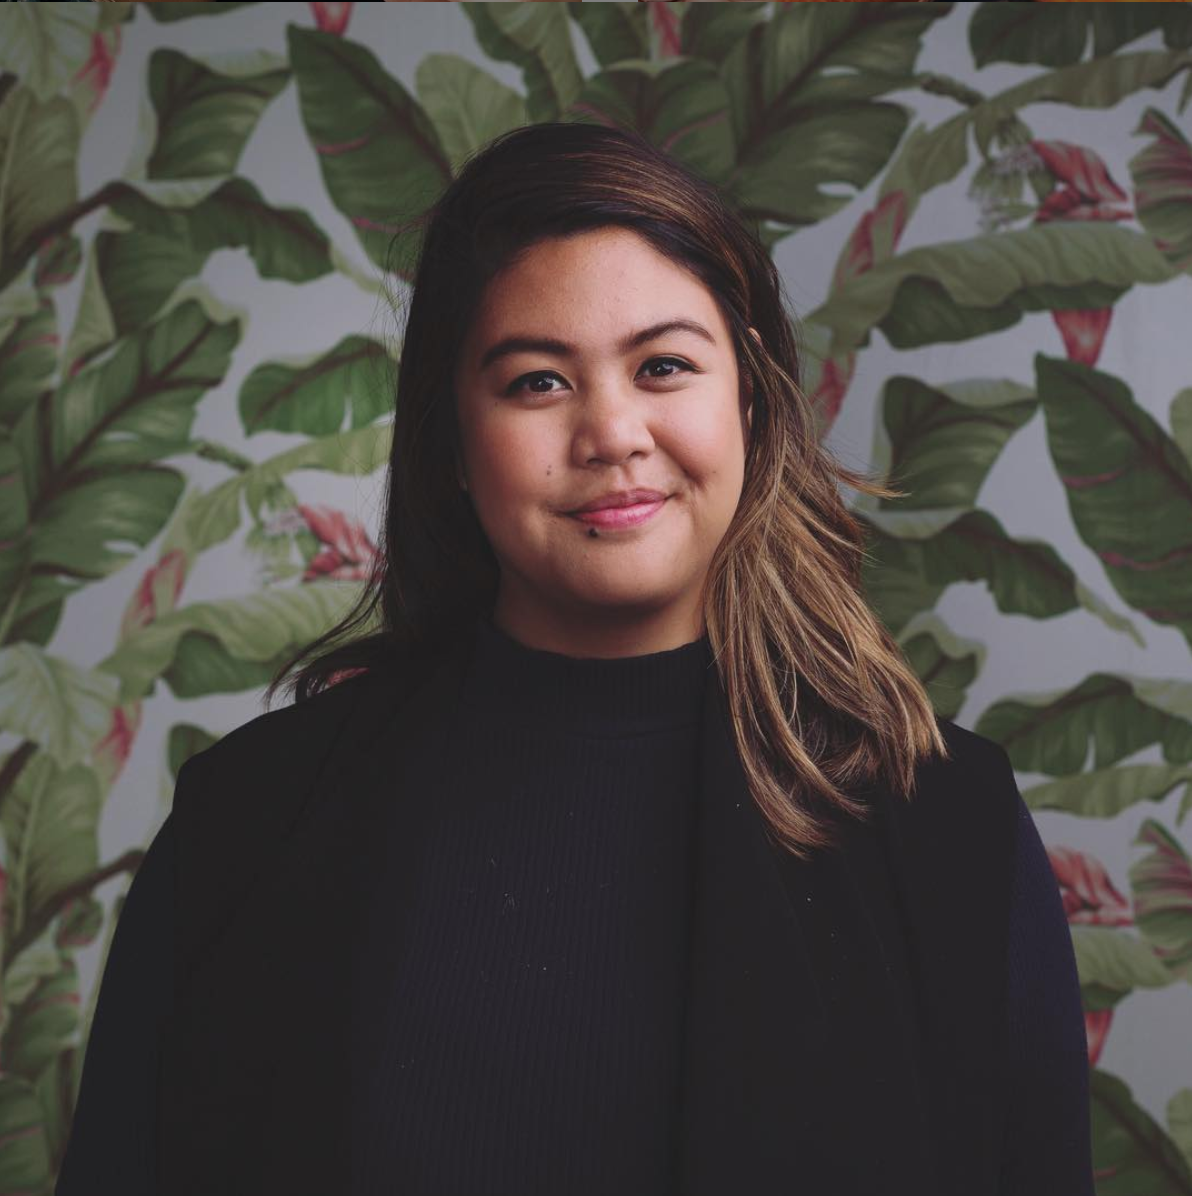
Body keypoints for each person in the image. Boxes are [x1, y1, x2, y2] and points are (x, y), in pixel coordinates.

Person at [56, 120, 1093, 1196]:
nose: (611, 430)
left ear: (746, 396)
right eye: (537, 382)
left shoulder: (944, 822)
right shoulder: (249, 816)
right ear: (453, 444)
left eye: (663, 365)